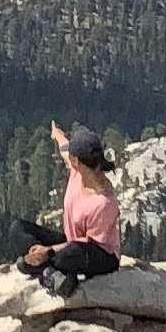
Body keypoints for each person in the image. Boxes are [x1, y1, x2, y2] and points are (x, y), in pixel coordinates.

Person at [20, 121, 123, 298]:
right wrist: (57, 133)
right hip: (71, 242)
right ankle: (51, 273)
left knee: (66, 255)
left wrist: (49, 251)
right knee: (19, 229)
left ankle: (44, 270)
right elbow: (64, 146)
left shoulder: (104, 202)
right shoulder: (79, 170)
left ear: (75, 161)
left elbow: (88, 243)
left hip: (101, 255)